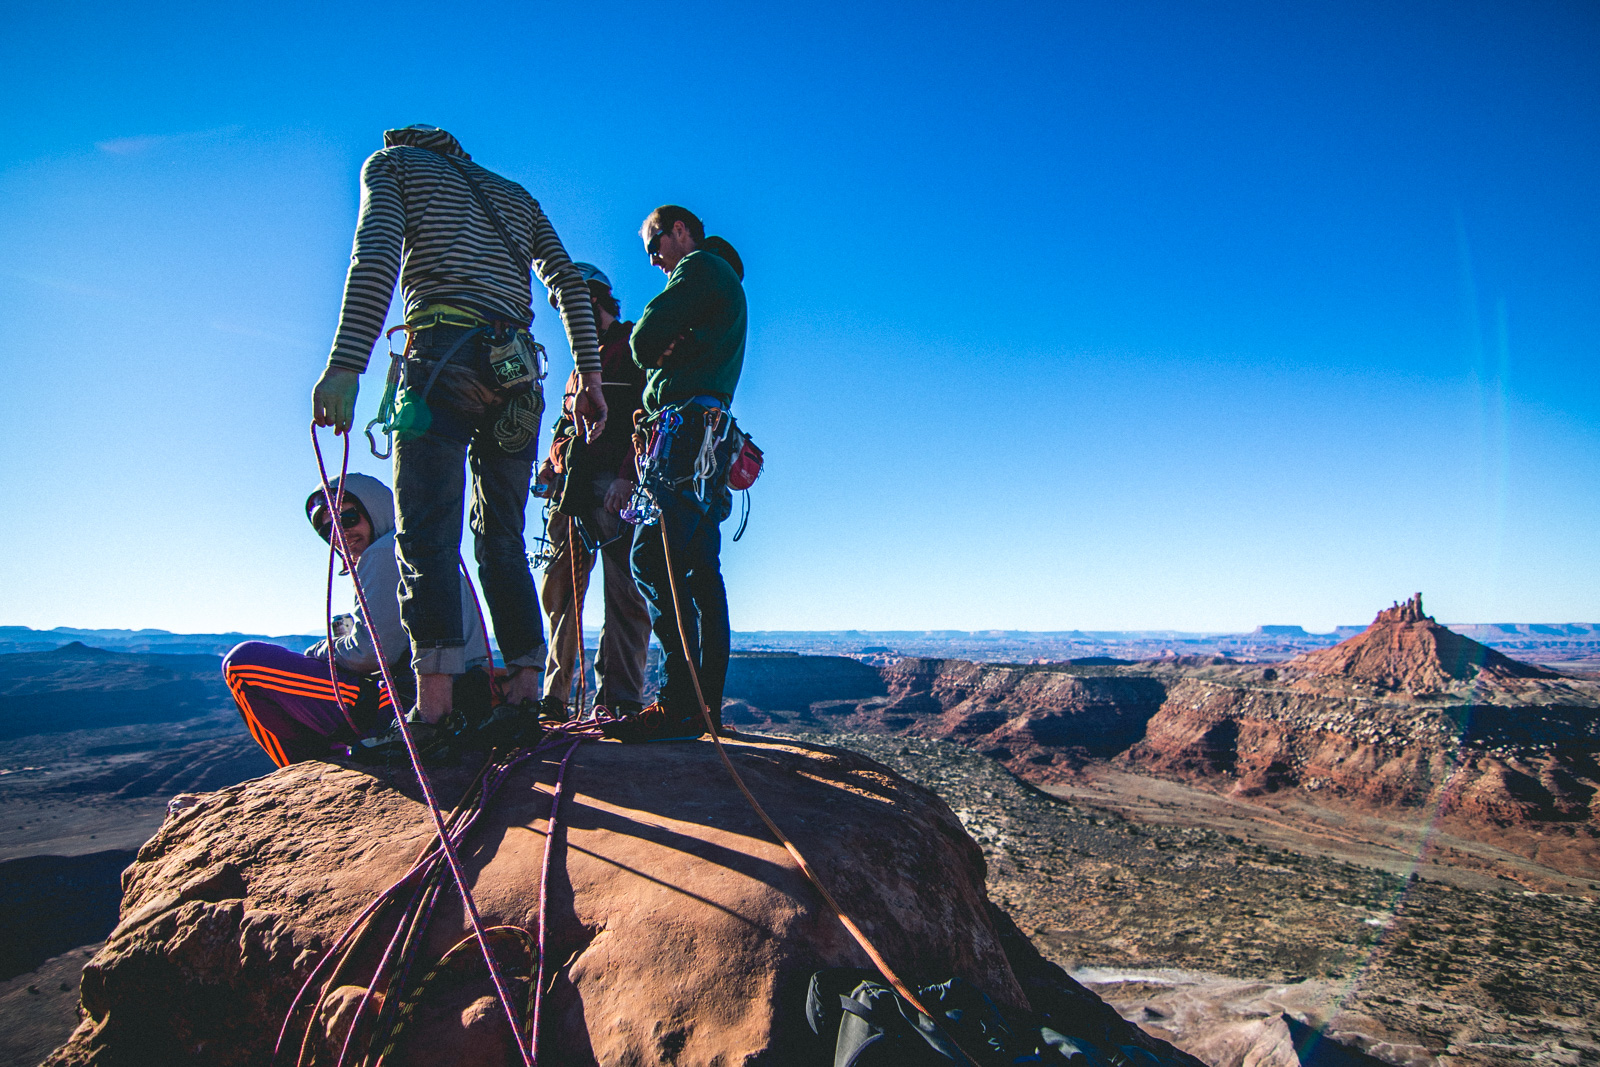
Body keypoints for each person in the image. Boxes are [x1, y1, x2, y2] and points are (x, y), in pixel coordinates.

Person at [310, 125, 607, 732]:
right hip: (519, 371)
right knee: (501, 534)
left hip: (441, 355)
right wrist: (592, 379)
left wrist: (345, 365)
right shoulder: (515, 196)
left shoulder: (393, 165)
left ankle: (435, 709)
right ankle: (526, 694)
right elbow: (567, 283)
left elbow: (376, 256)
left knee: (425, 535)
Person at [222, 474, 492, 766]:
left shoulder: (385, 553)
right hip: (459, 696)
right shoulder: (416, 549)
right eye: (328, 531)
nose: (339, 534)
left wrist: (319, 651)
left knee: (242, 663)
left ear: (375, 509)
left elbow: (370, 654)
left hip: (407, 703)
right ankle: (320, 765)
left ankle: (303, 767)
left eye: (348, 518)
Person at [611, 206, 747, 741]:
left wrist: (660, 344)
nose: (653, 258)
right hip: (708, 435)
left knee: (652, 556)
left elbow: (642, 342)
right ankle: (702, 707)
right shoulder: (722, 290)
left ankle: (677, 704)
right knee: (698, 571)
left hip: (686, 431)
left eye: (655, 242)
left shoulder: (700, 267)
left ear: (682, 231)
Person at [535, 264, 652, 719]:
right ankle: (554, 697)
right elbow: (566, 426)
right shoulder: (578, 368)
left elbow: (646, 416)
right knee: (561, 595)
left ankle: (619, 699)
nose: (563, 317)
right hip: (571, 494)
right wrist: (550, 465)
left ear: (592, 300)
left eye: (566, 305)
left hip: (617, 493)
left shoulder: (633, 347)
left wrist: (628, 475)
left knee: (625, 593)